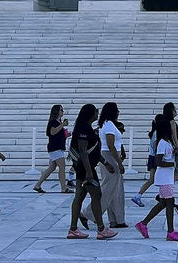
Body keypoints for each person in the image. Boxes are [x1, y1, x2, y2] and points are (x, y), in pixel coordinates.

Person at [134, 114, 178, 241]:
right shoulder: (162, 143)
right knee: (170, 203)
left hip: (167, 177)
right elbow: (158, 161)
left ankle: (143, 224)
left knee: (163, 203)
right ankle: (170, 231)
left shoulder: (167, 143)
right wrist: (173, 163)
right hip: (164, 178)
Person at [67, 103, 115, 239]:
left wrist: (105, 163)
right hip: (85, 169)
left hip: (84, 168)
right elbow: (83, 151)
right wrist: (88, 171)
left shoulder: (86, 128)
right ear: (90, 114)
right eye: (95, 111)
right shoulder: (83, 129)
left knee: (80, 197)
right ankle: (101, 229)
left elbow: (92, 149)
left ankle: (73, 229)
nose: (97, 113)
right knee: (96, 195)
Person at [82, 102, 127, 228]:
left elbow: (116, 143)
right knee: (108, 189)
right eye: (117, 110)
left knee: (116, 189)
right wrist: (119, 162)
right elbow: (110, 144)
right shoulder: (108, 125)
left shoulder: (110, 124)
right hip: (110, 156)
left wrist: (121, 152)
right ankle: (87, 213)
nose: (119, 112)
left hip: (113, 155)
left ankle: (116, 219)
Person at [33, 104, 70, 194]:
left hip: (57, 147)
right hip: (55, 148)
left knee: (52, 168)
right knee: (62, 167)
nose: (62, 111)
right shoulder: (53, 122)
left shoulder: (57, 122)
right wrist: (63, 125)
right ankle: (63, 188)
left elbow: (58, 134)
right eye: (61, 110)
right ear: (57, 111)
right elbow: (52, 132)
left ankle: (37, 185)